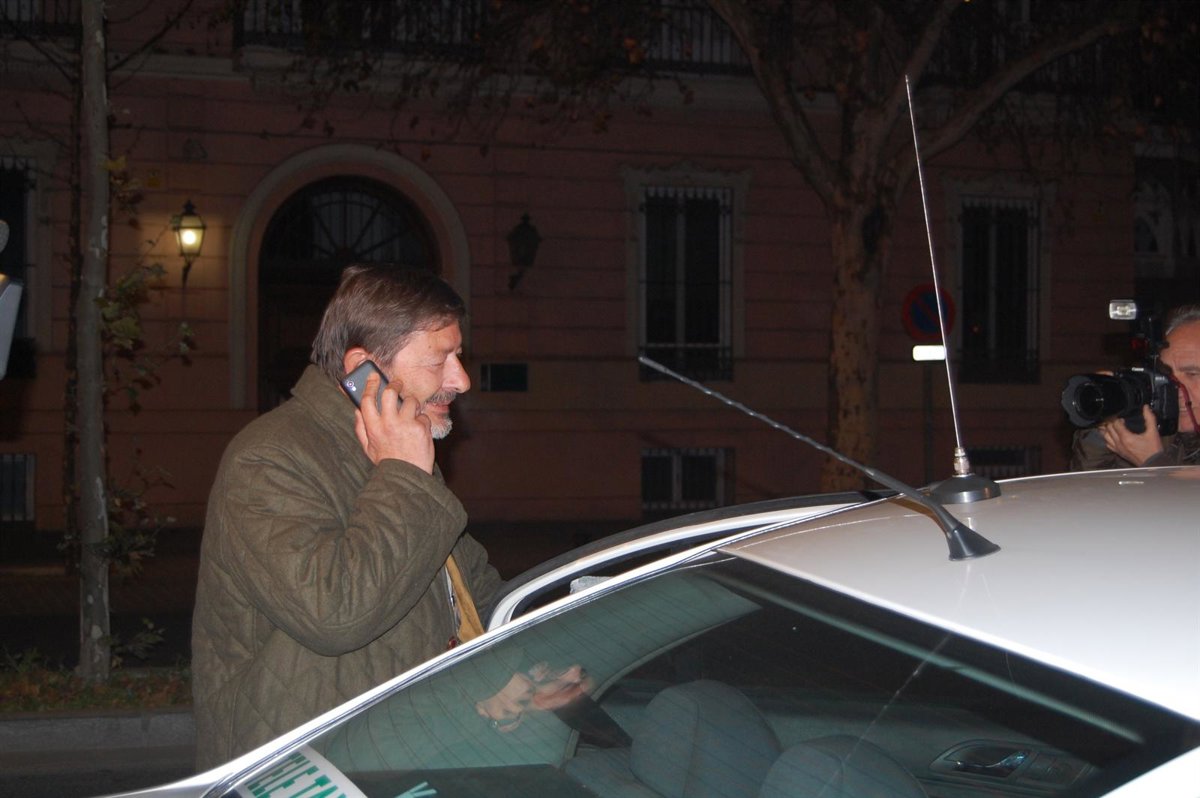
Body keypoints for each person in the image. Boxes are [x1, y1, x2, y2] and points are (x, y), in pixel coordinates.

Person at [191, 263, 502, 769]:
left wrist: (532, 651)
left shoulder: (401, 452)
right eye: (439, 360)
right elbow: (335, 614)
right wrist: (404, 475)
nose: (461, 380)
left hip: (400, 749)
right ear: (364, 369)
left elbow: (472, 587)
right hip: (307, 769)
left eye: (459, 356)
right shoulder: (268, 458)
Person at [1070, 303, 1200, 470]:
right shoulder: (1160, 433)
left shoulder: (1153, 446)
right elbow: (1091, 483)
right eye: (1166, 374)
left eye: (1192, 374)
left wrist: (1152, 460)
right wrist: (1105, 428)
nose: (1175, 388)